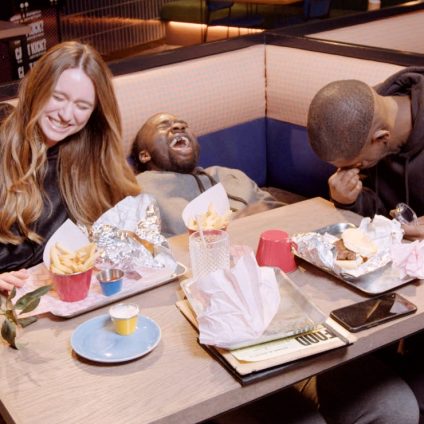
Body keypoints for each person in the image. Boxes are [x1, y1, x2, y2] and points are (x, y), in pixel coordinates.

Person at [0, 41, 140, 292]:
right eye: (58, 97)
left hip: (61, 296)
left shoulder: (92, 156)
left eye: (82, 106)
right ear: (36, 88)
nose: (65, 114)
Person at [307, 67, 424, 240]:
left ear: (381, 137)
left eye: (359, 164)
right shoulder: (362, 123)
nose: (353, 169)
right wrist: (349, 201)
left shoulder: (369, 121)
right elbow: (378, 215)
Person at [130, 112, 284, 237]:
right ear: (145, 155)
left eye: (183, 124)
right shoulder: (139, 190)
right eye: (163, 126)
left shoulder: (231, 176)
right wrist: (241, 225)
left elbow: (285, 216)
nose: (179, 126)